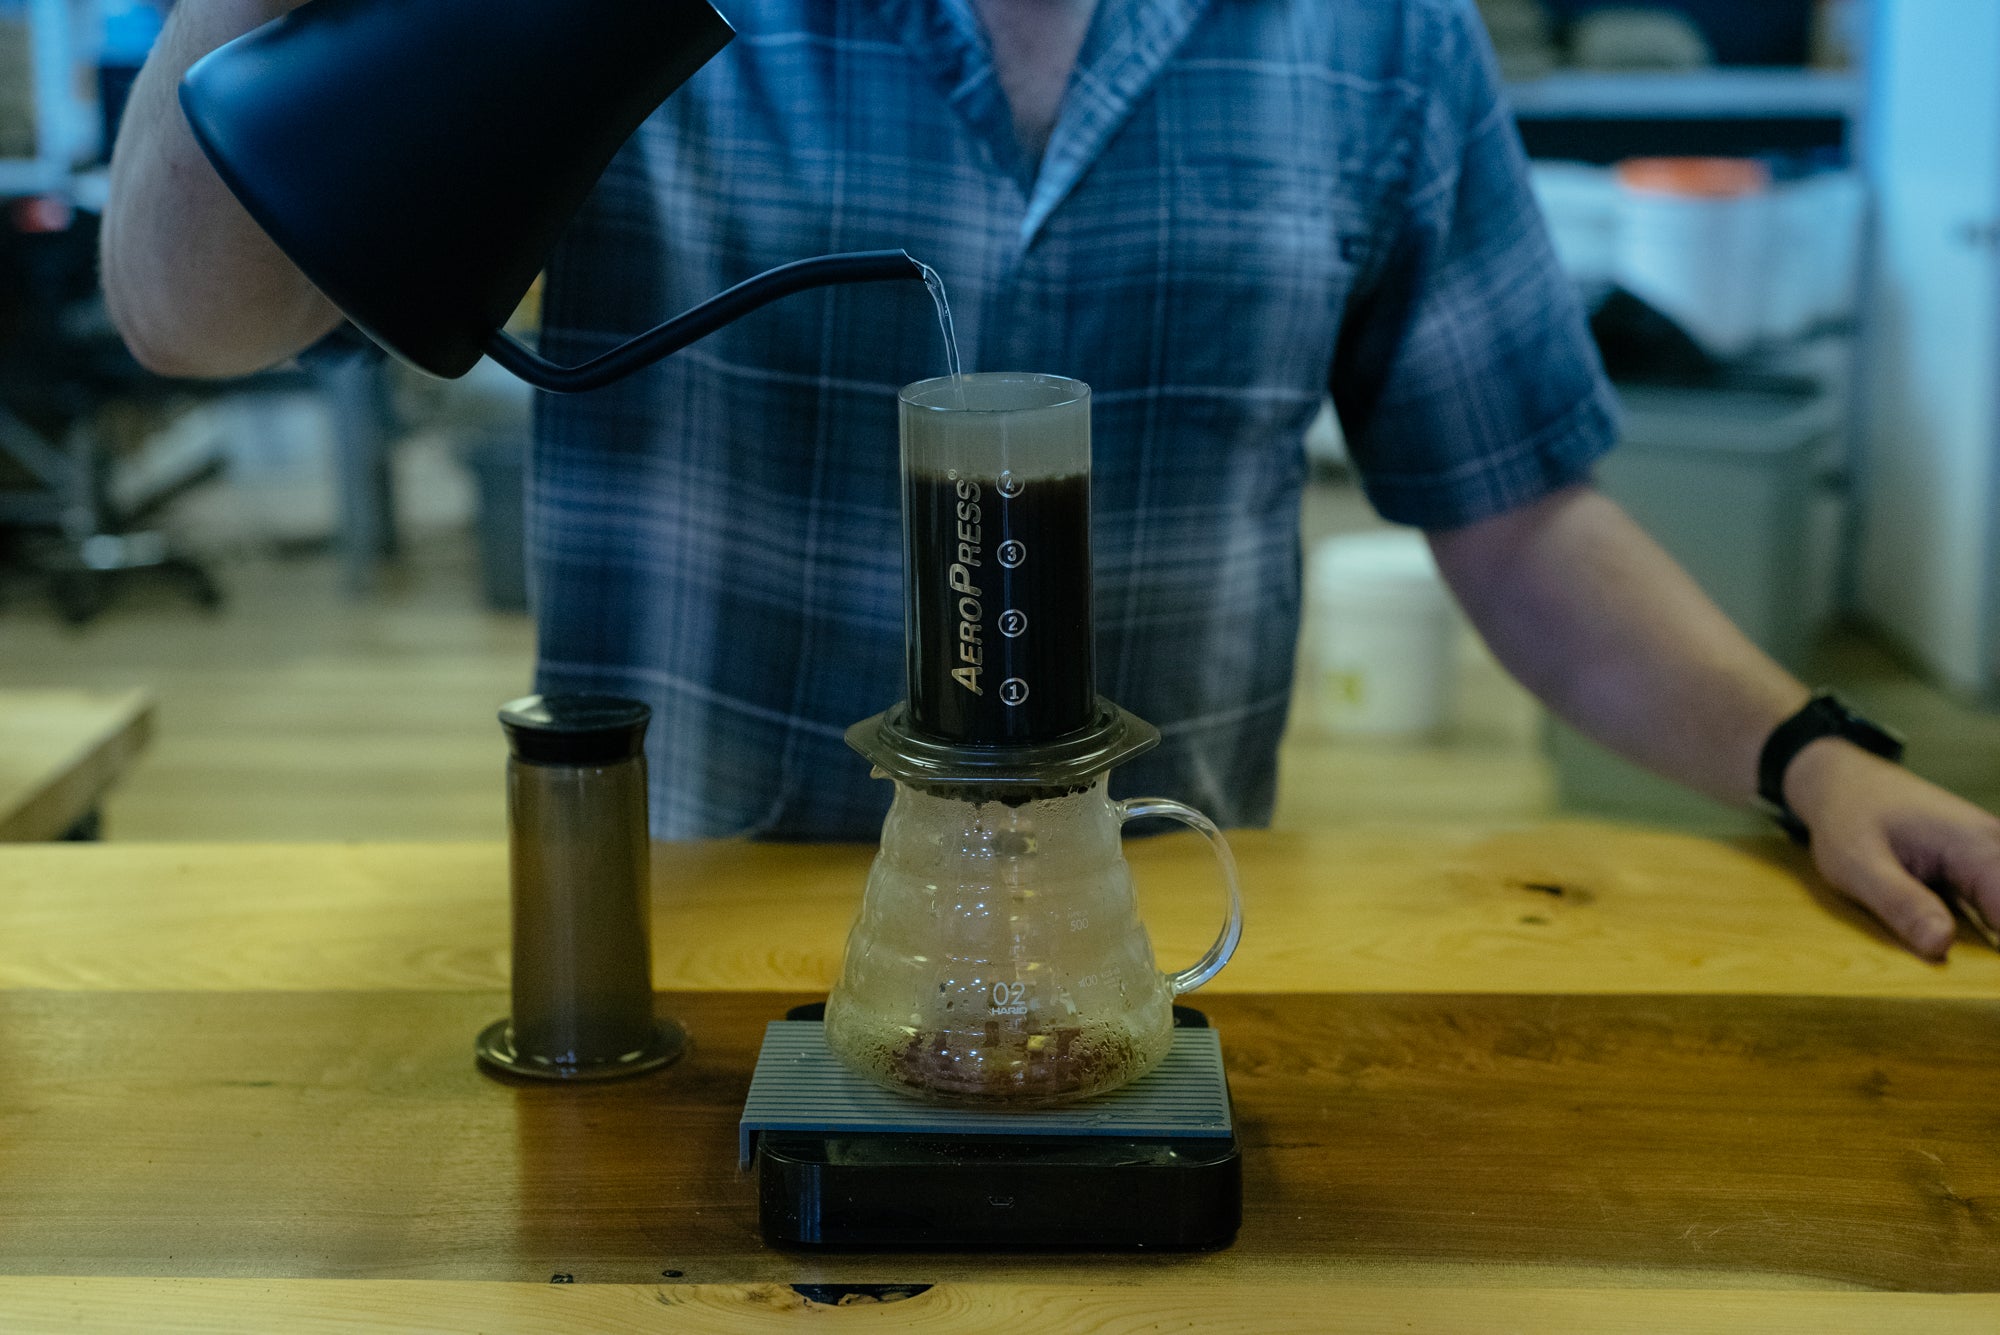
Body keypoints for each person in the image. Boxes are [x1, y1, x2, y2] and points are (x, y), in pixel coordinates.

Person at [103, 0, 2000, 959]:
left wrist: (1810, 750)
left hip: (1141, 967)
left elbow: (1514, 503)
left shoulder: (1373, 34)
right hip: (672, 969)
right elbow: (192, 316)